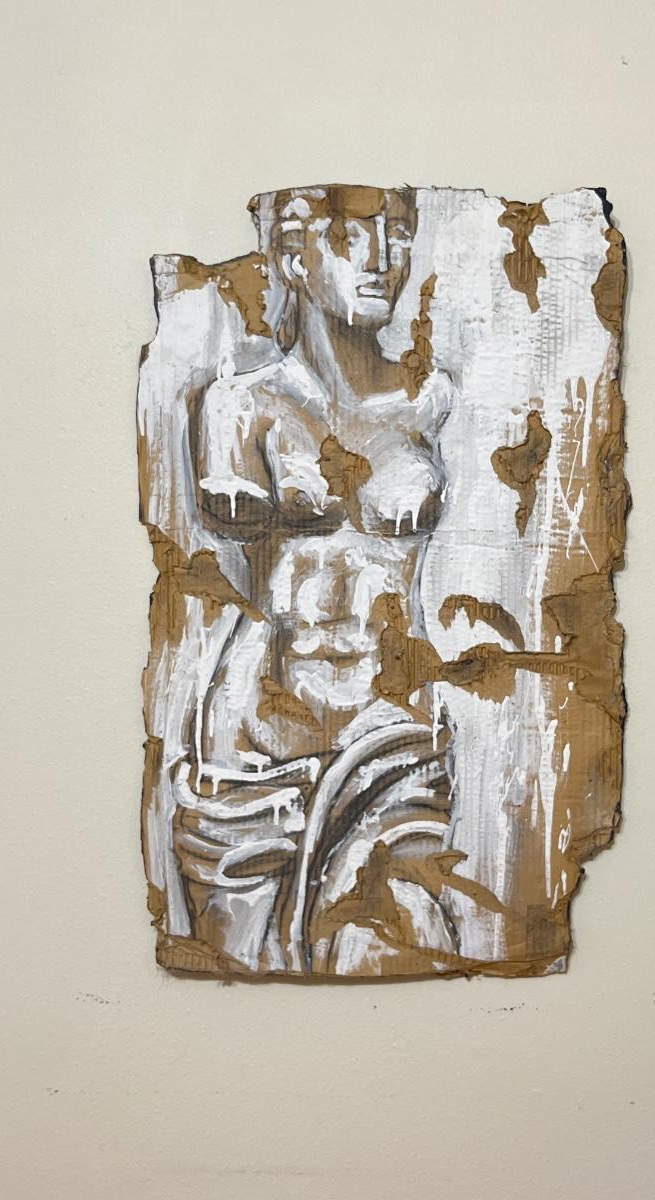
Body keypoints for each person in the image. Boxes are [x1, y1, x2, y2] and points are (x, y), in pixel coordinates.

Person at [145, 185, 460, 975]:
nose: (382, 259)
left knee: (396, 946)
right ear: (294, 255)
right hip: (260, 729)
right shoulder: (239, 407)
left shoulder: (430, 403)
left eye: (398, 234)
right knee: (239, 959)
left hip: (390, 722)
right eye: (353, 236)